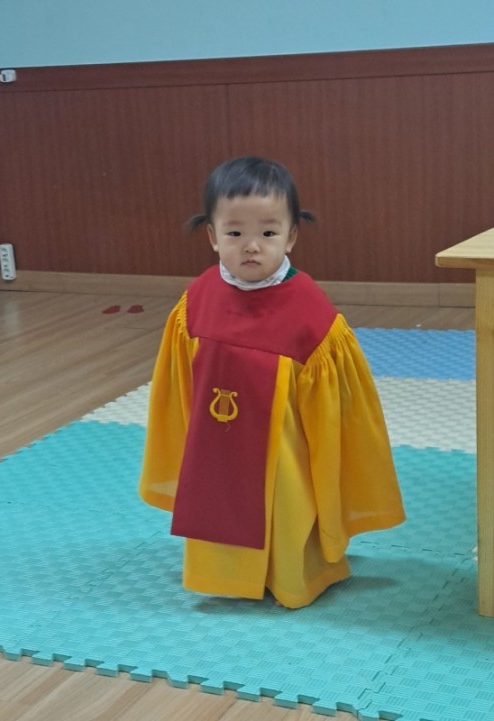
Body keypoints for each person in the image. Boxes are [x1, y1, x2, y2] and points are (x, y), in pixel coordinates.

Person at [139, 156, 405, 609]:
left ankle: (290, 578)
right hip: (215, 445)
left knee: (286, 507)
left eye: (267, 233)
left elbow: (336, 406)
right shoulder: (198, 299)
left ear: (291, 236)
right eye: (234, 233)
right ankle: (224, 575)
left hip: (284, 449)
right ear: (212, 236)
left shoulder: (308, 308)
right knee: (216, 494)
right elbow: (179, 381)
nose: (251, 247)